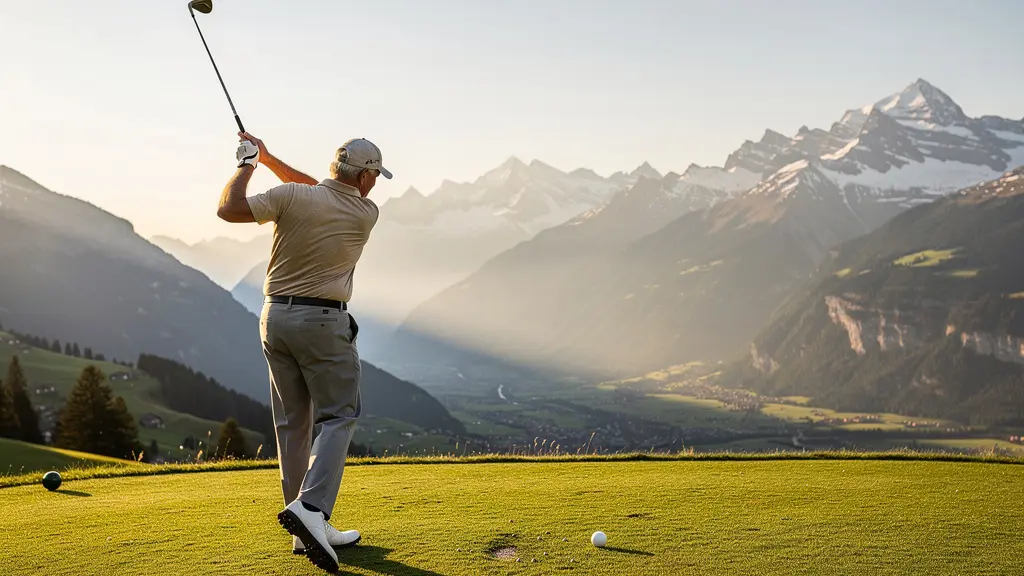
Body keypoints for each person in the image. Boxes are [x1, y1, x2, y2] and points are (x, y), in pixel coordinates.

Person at [216, 131, 392, 573]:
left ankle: (303, 526)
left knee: (293, 422)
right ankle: (311, 510)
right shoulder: (365, 211)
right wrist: (265, 161)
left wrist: (252, 163)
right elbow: (318, 189)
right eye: (375, 175)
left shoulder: (295, 197)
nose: (376, 183)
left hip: (274, 319)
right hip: (322, 323)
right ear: (366, 177)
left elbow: (229, 208)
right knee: (339, 415)